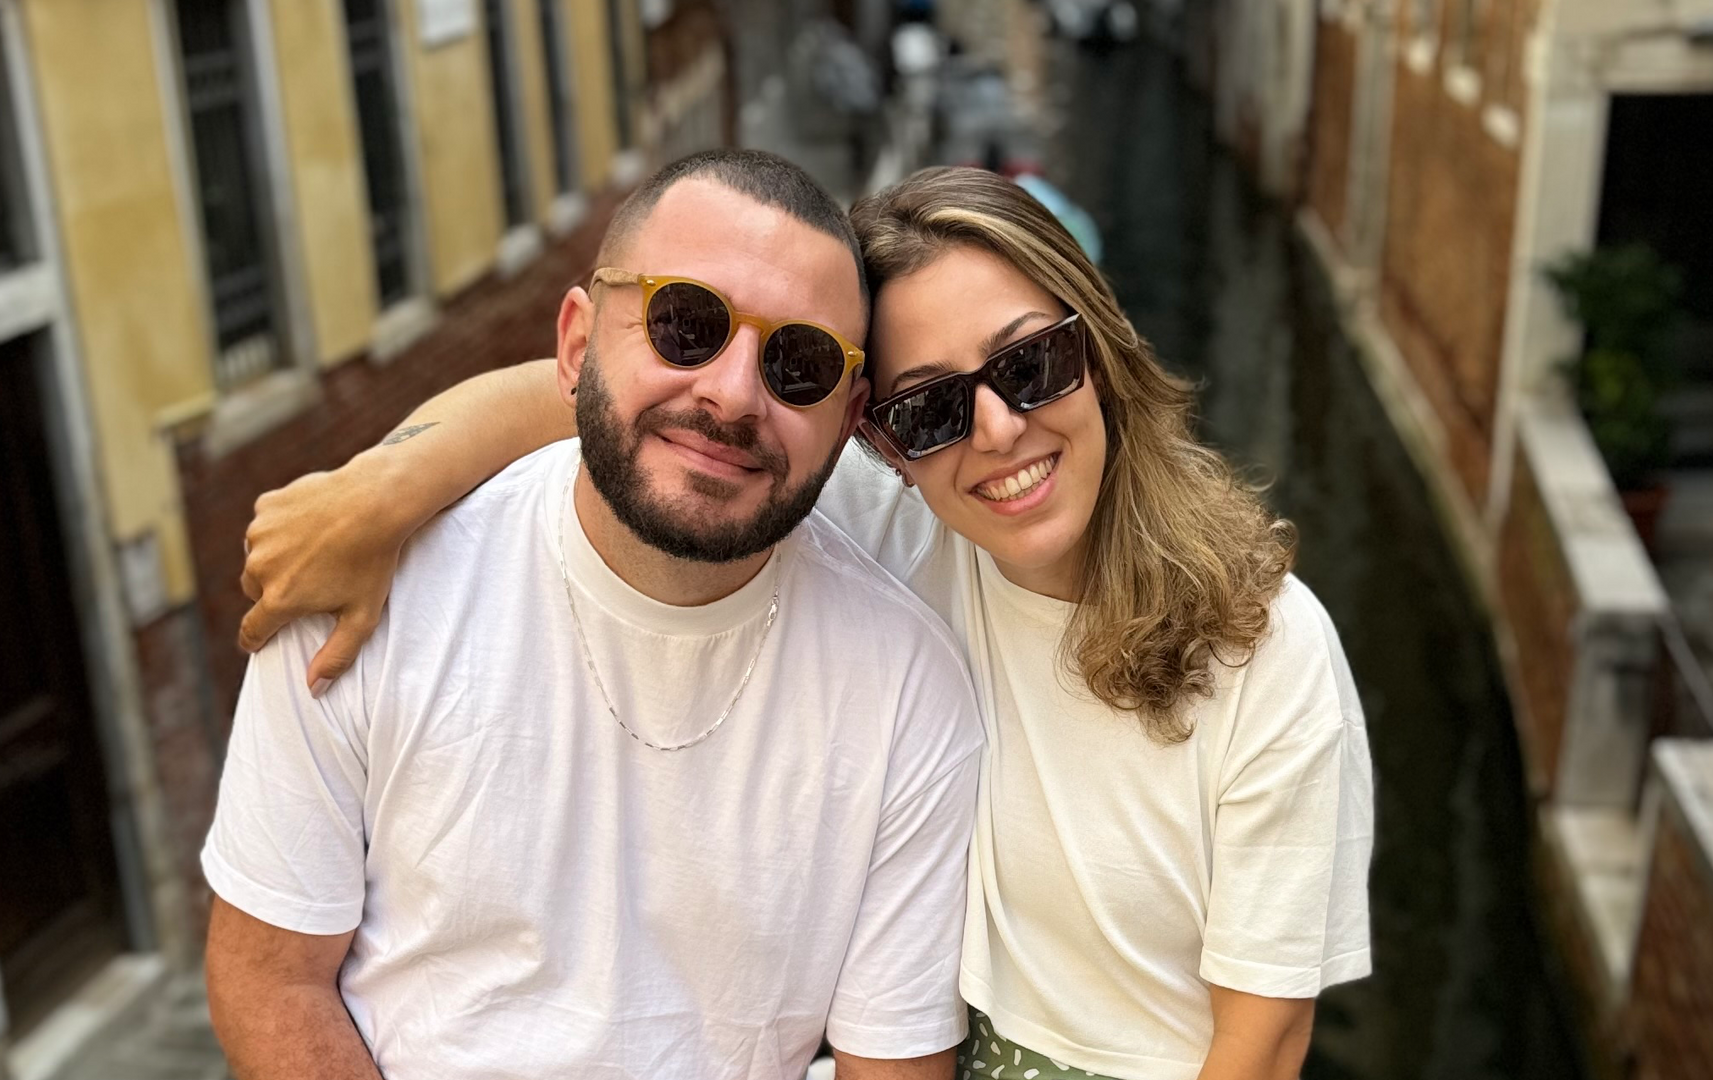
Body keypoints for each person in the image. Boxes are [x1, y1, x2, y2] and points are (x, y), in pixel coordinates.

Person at [239, 164, 1374, 1080]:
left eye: (1033, 364)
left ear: (1103, 352)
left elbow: (1266, 1043)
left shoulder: (1268, 648)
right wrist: (383, 491)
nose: (996, 430)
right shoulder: (916, 527)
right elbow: (635, 401)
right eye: (930, 407)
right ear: (876, 438)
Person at [202, 150, 985, 1080]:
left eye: (800, 364)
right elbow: (271, 981)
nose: (734, 394)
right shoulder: (366, 596)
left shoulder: (911, 688)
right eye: (685, 324)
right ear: (577, 344)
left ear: (850, 417)